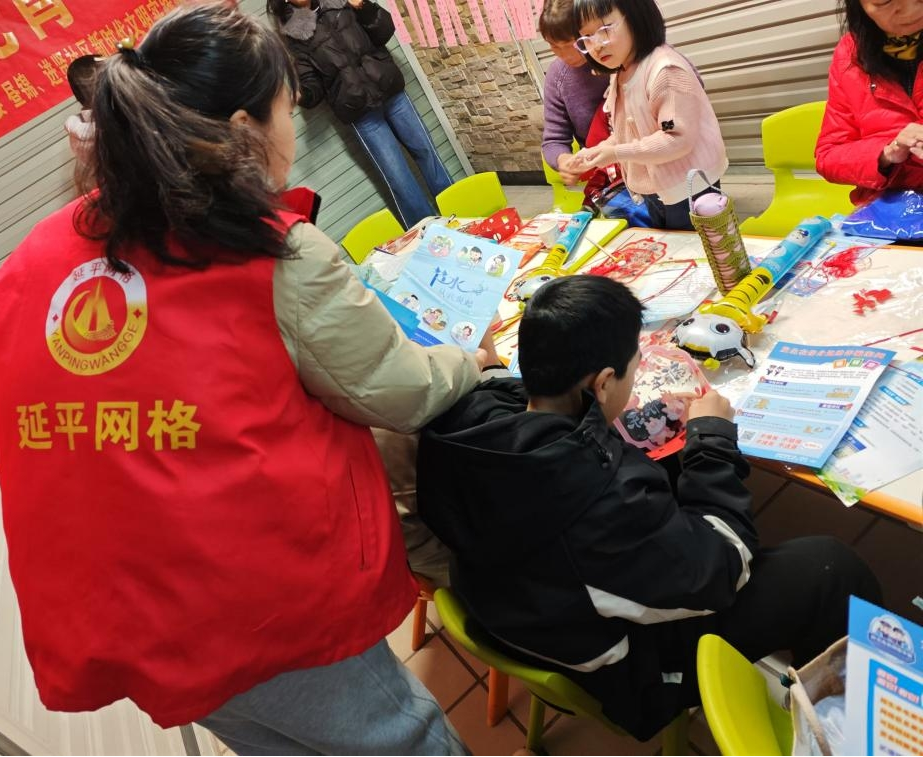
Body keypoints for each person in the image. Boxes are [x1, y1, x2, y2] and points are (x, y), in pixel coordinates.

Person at [0, 4, 492, 754]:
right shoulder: (267, 251)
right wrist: (472, 361)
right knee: (402, 738)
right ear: (243, 127)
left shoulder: (34, 253)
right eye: (288, 109)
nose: (292, 128)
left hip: (119, 613)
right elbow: (399, 391)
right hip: (250, 599)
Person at [416, 275, 882, 742]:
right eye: (633, 370)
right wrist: (712, 440)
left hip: (526, 610)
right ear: (602, 383)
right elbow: (722, 569)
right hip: (627, 672)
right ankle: (842, 729)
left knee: (667, 466)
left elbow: (503, 390)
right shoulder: (602, 506)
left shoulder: (467, 420)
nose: (636, 380)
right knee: (831, 569)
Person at [265, 0, 452, 228]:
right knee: (398, 176)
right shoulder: (295, 35)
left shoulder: (342, 2)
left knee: (425, 151)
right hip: (361, 112)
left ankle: (458, 212)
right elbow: (311, 84)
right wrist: (299, 94)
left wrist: (364, 7)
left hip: (390, 90)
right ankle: (428, 232)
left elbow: (384, 31)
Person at [568, 0, 728, 230]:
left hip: (689, 186)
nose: (596, 46)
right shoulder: (620, 73)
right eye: (586, 37)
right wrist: (599, 150)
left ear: (636, 15)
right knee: (672, 245)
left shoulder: (665, 71)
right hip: (654, 188)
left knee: (698, 246)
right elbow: (629, 131)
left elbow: (676, 137)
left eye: (604, 29)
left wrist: (615, 153)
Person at [816, 0, 923, 206]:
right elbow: (827, 156)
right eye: (884, 1)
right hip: (888, 208)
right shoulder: (850, 54)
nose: (910, 9)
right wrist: (886, 153)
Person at [539, 0, 611, 186]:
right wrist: (565, 161)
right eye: (554, 46)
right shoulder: (558, 75)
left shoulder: (619, 54)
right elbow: (553, 141)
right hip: (607, 175)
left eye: (572, 44)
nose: (566, 56)